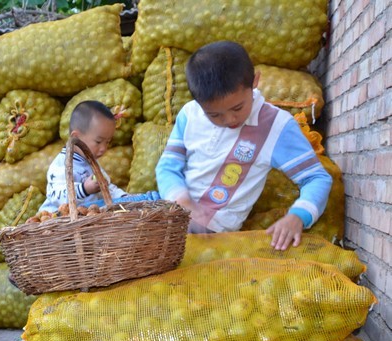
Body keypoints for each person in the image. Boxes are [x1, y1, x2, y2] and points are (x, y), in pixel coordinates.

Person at [155, 40, 333, 250]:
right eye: (214, 115)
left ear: (255, 81)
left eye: (237, 107)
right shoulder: (189, 114)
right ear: (198, 101)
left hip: (210, 235)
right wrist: (182, 201)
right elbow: (167, 167)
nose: (229, 119)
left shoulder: (276, 126)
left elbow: (316, 178)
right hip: (166, 211)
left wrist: (298, 216)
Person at [31, 100, 129, 219]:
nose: (103, 148)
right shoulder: (60, 165)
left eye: (107, 142)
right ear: (76, 137)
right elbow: (56, 196)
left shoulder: (92, 163)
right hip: (56, 222)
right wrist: (84, 189)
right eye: (98, 142)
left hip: (84, 219)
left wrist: (125, 198)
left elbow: (107, 187)